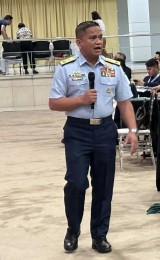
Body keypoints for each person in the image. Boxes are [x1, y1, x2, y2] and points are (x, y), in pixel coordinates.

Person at [49, 21, 138, 253]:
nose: (98, 41)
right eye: (92, 38)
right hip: (77, 131)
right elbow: (54, 103)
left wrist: (133, 130)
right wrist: (80, 99)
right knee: (77, 183)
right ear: (79, 42)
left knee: (104, 186)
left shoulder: (113, 67)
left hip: (105, 130)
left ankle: (100, 235)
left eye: (100, 37)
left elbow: (125, 102)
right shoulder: (65, 68)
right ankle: (73, 229)